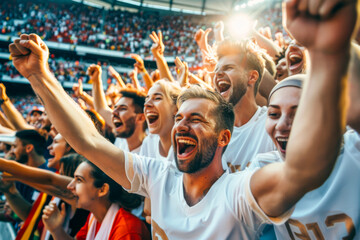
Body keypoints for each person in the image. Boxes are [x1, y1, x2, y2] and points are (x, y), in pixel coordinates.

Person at [8, 0, 357, 238]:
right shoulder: (159, 177)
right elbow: (87, 141)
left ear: (225, 138)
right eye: (181, 118)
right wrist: (40, 75)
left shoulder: (238, 193)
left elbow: (304, 169)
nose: (182, 126)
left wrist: (329, 46)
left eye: (197, 120)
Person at [42, 160, 150, 240]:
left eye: (79, 180)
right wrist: (56, 230)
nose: (70, 186)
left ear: (102, 190)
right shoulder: (94, 217)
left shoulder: (127, 230)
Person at [214, 38, 275, 171]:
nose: (217, 74)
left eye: (228, 68)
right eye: (216, 70)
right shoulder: (212, 130)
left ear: (252, 77)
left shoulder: (272, 124)